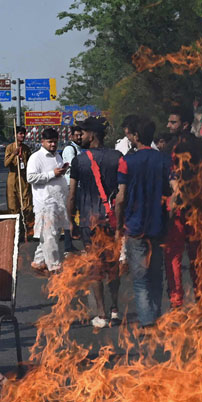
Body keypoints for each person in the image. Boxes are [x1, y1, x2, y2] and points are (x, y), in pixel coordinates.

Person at [115, 117, 171, 327]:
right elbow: (174, 193)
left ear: (136, 137)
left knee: (140, 277)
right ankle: (155, 314)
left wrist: (119, 226)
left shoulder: (127, 161)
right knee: (156, 274)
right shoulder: (164, 160)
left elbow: (120, 198)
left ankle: (147, 320)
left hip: (135, 226)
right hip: (158, 225)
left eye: (130, 134)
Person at [67, 117, 123, 327]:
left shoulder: (79, 161)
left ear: (93, 134)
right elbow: (122, 192)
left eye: (83, 132)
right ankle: (115, 309)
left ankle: (101, 314)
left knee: (95, 267)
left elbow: (72, 194)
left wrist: (70, 220)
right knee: (113, 266)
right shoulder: (117, 156)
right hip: (111, 220)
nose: (80, 135)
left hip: (89, 222)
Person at [165, 105, 202, 306]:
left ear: (184, 124)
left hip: (178, 209)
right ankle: (201, 296)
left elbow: (169, 177)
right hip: (198, 206)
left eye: (172, 122)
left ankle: (176, 300)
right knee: (196, 256)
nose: (168, 125)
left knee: (174, 256)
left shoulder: (170, 148)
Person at [27, 128, 69, 274]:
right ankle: (55, 266)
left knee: (53, 233)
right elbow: (30, 177)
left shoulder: (57, 155)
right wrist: (52, 174)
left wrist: (61, 172)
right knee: (50, 235)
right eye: (50, 142)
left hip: (58, 201)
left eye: (55, 142)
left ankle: (39, 261)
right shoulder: (36, 157)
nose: (53, 145)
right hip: (45, 203)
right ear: (42, 141)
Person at [4, 126, 34, 235]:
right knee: (13, 207)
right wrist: (14, 154)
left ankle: (28, 230)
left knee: (27, 206)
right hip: (13, 179)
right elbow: (6, 164)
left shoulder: (26, 148)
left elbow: (30, 164)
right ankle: (15, 232)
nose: (22, 136)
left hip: (23, 179)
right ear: (15, 135)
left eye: (23, 134)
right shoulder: (10, 147)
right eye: (20, 133)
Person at [60, 125, 84, 252]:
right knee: (70, 216)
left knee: (77, 216)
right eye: (77, 135)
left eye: (81, 135)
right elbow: (75, 166)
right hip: (71, 186)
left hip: (79, 185)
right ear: (72, 136)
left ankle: (74, 243)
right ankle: (68, 246)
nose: (79, 137)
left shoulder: (80, 148)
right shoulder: (70, 149)